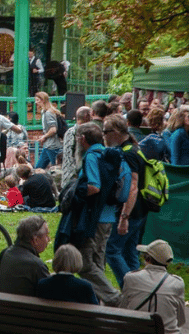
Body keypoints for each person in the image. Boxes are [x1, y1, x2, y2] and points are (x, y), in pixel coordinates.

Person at [57, 122, 126, 306]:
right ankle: (96, 303)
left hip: (93, 217)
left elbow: (94, 187)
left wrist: (76, 192)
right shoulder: (110, 155)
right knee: (98, 261)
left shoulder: (91, 157)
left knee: (86, 263)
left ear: (82, 139)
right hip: (109, 216)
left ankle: (113, 298)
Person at [103, 115, 148, 289]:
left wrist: (124, 217)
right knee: (130, 253)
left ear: (116, 132)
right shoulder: (135, 148)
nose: (103, 135)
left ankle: (129, 289)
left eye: (106, 131)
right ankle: (140, 292)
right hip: (140, 210)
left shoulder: (127, 153)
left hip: (131, 211)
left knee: (111, 250)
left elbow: (132, 187)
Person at [120, 240, 185, 334]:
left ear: (148, 259)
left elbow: (123, 310)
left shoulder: (130, 278)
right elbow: (181, 320)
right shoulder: (178, 283)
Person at [0, 215, 51, 296]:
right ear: (35, 240)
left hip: (0, 306)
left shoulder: (4, 254)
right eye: (46, 235)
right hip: (24, 308)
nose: (49, 239)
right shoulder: (36, 265)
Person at [34, 92, 62, 169]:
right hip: (48, 145)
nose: (36, 102)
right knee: (38, 168)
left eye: (37, 100)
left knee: (56, 168)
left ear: (43, 100)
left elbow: (53, 129)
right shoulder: (45, 112)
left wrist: (44, 136)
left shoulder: (48, 113)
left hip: (52, 146)